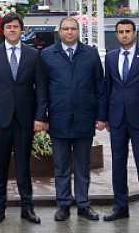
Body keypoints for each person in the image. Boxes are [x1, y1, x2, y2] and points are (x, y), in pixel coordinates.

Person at [0, 13, 46, 225]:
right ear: (3, 30)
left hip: (24, 120)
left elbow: (41, 89)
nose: (12, 30)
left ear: (22, 30)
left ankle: (27, 208)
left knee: (23, 166)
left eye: (15, 27)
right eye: (8, 27)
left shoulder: (33, 55)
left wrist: (39, 116)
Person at [39, 17, 106, 222]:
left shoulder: (91, 54)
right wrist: (42, 117)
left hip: (84, 119)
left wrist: (101, 116)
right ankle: (64, 204)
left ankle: (84, 204)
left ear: (78, 31)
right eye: (65, 29)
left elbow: (100, 88)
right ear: (59, 32)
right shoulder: (47, 55)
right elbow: (42, 89)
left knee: (83, 165)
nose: (69, 32)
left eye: (73, 29)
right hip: (58, 119)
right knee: (61, 166)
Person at [100, 18, 139, 226]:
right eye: (121, 31)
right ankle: (120, 207)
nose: (124, 34)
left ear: (135, 33)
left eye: (128, 31)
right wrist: (105, 116)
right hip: (117, 119)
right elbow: (107, 89)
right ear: (116, 34)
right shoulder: (110, 57)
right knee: (118, 165)